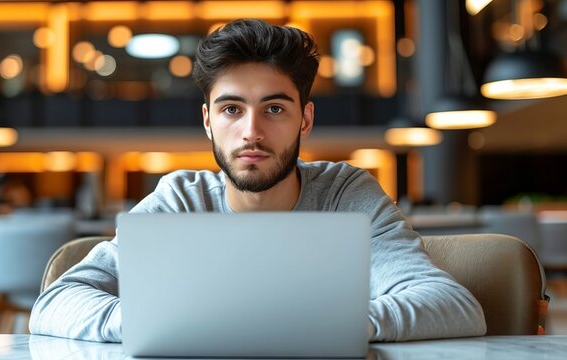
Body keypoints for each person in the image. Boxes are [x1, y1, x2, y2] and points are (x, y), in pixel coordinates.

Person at [30, 19, 486, 342]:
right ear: (208, 121)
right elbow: (55, 304)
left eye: (274, 108)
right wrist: (150, 321)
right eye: (232, 109)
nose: (252, 131)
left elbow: (453, 305)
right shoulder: (180, 200)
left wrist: (342, 323)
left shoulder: (347, 194)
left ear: (305, 119)